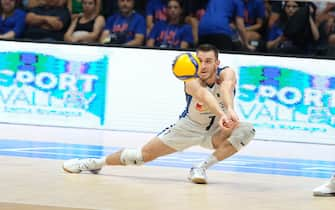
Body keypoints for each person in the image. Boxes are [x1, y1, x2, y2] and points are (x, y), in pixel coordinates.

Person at [62, 43, 255, 184]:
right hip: (189, 127)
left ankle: (200, 168)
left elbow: (228, 87)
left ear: (217, 63)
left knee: (246, 130)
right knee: (140, 156)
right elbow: (204, 95)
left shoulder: (227, 73)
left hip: (217, 131)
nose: (203, 66)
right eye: (200, 61)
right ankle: (94, 163)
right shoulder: (190, 81)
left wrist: (229, 110)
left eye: (208, 61)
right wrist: (223, 114)